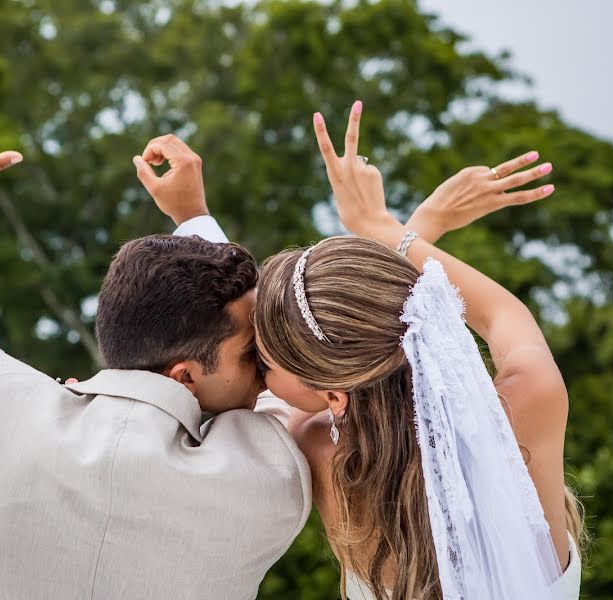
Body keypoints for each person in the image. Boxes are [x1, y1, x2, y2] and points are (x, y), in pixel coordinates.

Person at [0, 79, 311, 599]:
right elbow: (290, 387)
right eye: (254, 353)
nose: (266, 364)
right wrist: (195, 220)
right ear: (183, 376)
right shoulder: (266, 477)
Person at [250, 102, 583, 599]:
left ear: (335, 396)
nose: (259, 378)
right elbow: (495, 315)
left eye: (264, 366)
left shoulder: (318, 450)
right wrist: (387, 226)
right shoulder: (532, 401)